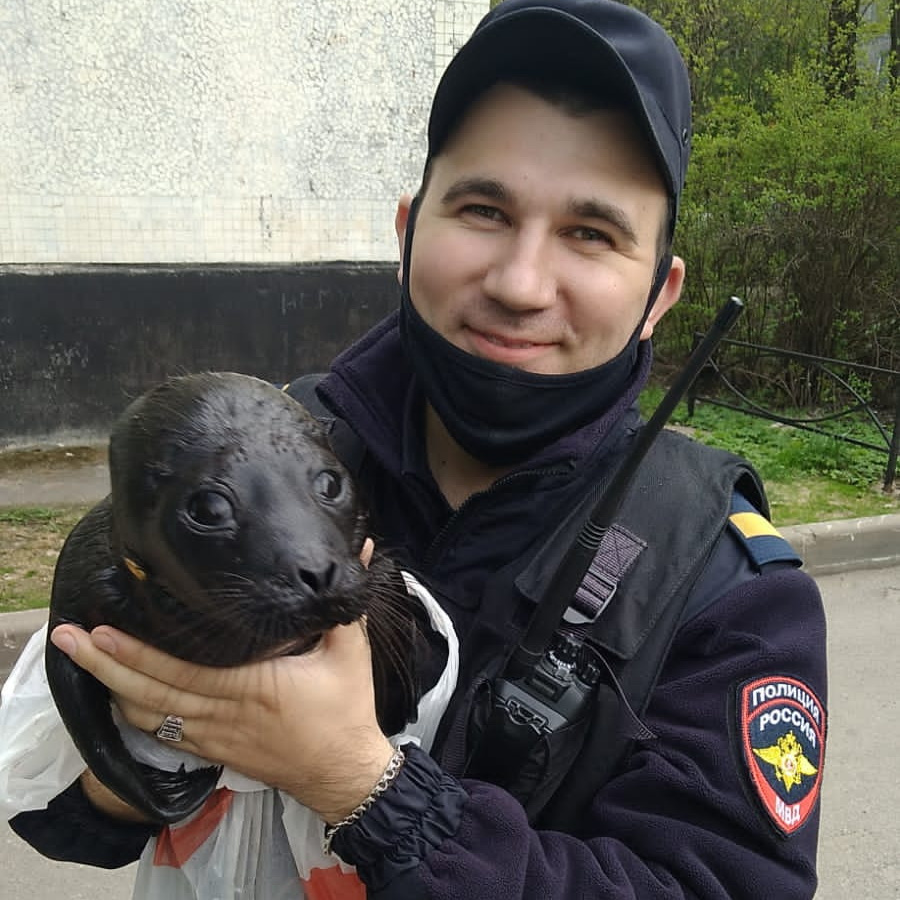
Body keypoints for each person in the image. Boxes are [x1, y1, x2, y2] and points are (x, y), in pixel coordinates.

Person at [11, 0, 828, 896]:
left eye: (591, 233)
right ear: (408, 231)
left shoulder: (730, 594)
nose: (520, 283)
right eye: (483, 208)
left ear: (659, 295)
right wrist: (146, 754)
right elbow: (65, 822)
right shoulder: (257, 453)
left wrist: (367, 790)